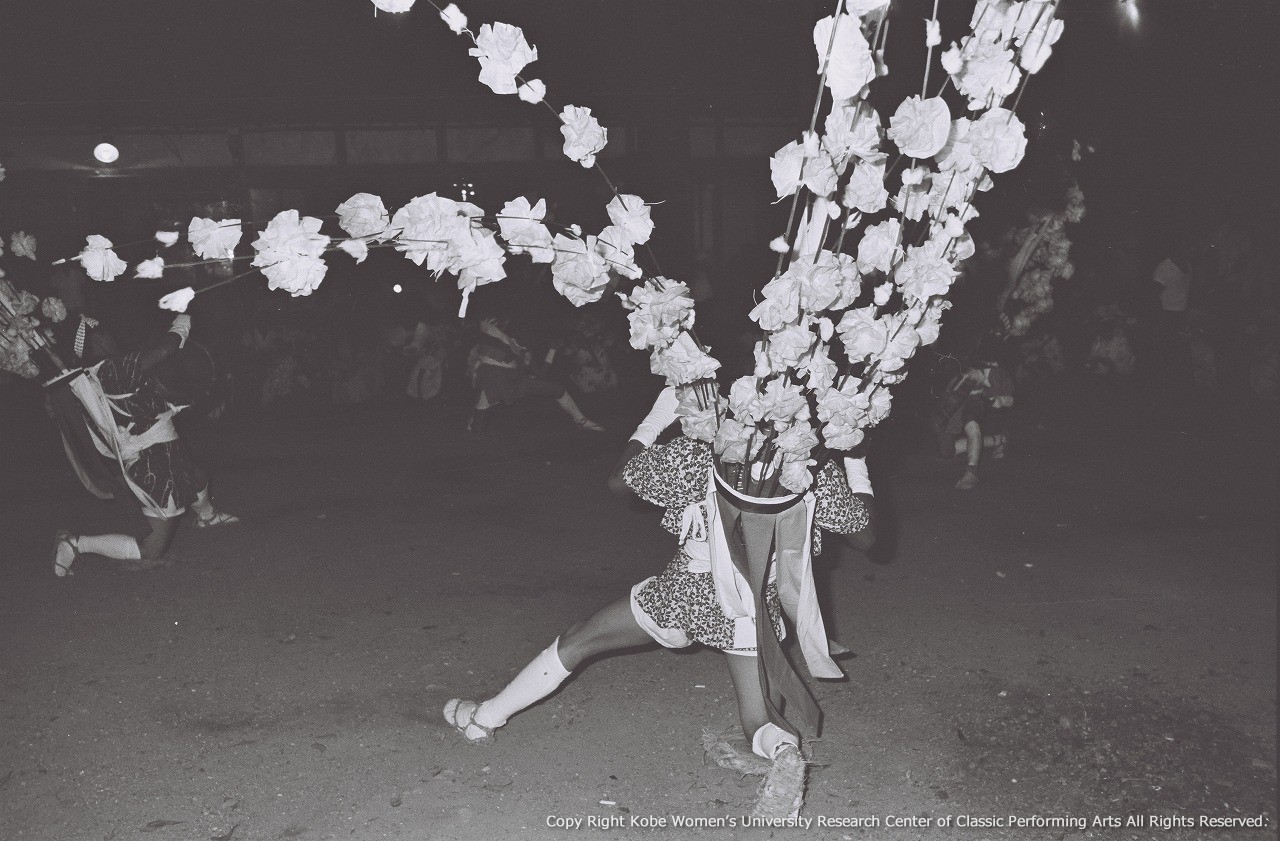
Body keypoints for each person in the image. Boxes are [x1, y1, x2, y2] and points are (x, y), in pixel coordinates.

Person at [443, 384, 874, 815]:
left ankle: (483, 719)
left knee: (581, 638)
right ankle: (783, 751)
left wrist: (657, 417)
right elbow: (867, 537)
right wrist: (856, 458)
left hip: (683, 594)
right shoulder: (813, 472)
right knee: (759, 719)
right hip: (753, 611)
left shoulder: (701, 454)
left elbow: (618, 482)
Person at [49, 313, 239, 576]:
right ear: (97, 340)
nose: (112, 335)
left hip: (160, 449)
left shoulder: (103, 371)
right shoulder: (113, 369)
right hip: (154, 462)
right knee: (151, 550)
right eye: (105, 332)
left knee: (196, 475)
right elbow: (166, 349)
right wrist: (183, 319)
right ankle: (75, 544)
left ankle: (207, 517)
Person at [464, 315, 603, 435]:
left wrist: (552, 350)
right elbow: (482, 328)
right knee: (477, 428)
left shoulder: (524, 351)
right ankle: (476, 420)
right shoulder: (491, 334)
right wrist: (487, 327)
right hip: (493, 378)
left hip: (514, 380)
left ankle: (581, 421)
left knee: (558, 389)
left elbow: (541, 373)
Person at [932, 341, 1015, 491]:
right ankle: (998, 439)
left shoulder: (998, 374)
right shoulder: (959, 377)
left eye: (971, 370)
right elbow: (945, 403)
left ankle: (971, 473)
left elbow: (1010, 400)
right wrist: (941, 419)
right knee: (946, 452)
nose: (968, 373)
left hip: (978, 401)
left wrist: (999, 400)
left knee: (972, 426)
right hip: (959, 403)